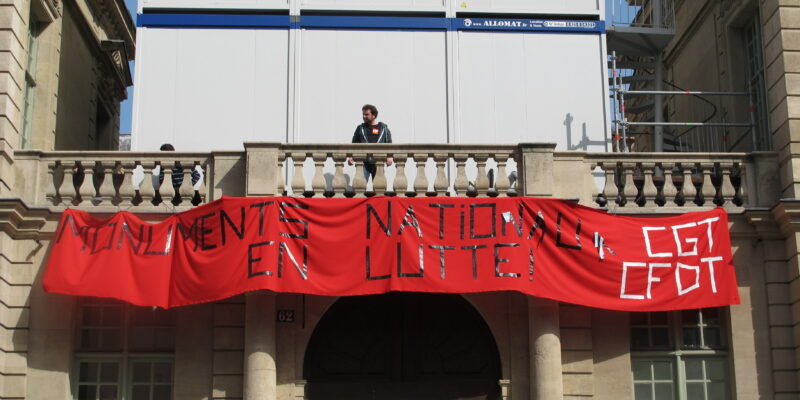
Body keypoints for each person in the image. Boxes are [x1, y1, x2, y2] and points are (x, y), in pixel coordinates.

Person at [348, 104, 393, 180]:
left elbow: (389, 143)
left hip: (378, 162)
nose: (364, 116)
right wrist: (350, 156)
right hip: (363, 162)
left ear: (374, 115)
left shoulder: (384, 129)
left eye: (366, 114)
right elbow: (354, 143)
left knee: (379, 187)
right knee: (360, 185)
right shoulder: (360, 128)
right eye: (363, 114)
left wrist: (389, 156)